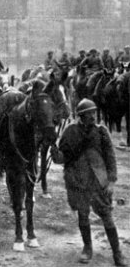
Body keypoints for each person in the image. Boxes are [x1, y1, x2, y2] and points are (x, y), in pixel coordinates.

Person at [51, 99, 127, 266]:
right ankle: (87, 248)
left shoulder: (101, 131)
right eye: (89, 114)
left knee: (107, 217)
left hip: (99, 182)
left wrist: (112, 182)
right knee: (83, 215)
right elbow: (63, 158)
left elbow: (111, 158)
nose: (93, 116)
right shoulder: (70, 132)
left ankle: (117, 253)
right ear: (81, 116)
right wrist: (55, 153)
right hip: (79, 182)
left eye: (94, 113)